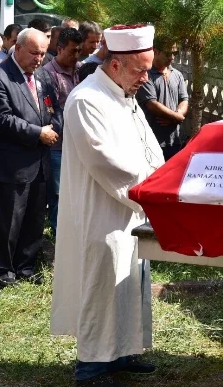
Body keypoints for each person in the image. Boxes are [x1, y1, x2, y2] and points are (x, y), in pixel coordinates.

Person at [51, 24, 163, 387]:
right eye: (140, 70)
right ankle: (93, 362)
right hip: (102, 210)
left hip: (131, 209)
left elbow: (149, 149)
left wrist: (163, 177)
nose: (145, 79)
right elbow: (105, 162)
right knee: (101, 283)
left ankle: (122, 351)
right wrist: (151, 190)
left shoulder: (124, 96)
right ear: (115, 65)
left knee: (128, 281)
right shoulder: (87, 99)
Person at [0, 28, 62, 287]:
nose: (39, 59)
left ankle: (25, 267)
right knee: (8, 220)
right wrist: (37, 133)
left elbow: (53, 107)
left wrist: (53, 128)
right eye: (34, 53)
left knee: (34, 218)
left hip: (40, 160)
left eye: (42, 53)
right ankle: (2, 272)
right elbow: (3, 118)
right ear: (17, 48)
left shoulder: (41, 76)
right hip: (12, 163)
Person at [41, 28, 83, 235]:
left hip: (78, 145)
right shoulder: (49, 74)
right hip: (57, 145)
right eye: (72, 51)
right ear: (59, 49)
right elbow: (52, 112)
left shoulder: (81, 70)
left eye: (79, 52)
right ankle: (59, 237)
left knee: (76, 193)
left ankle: (73, 235)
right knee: (58, 194)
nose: (76, 56)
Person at [136, 37, 188, 161]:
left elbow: (184, 99)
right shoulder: (146, 75)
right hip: (153, 141)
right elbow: (151, 104)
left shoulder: (177, 74)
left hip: (176, 139)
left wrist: (177, 116)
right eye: (168, 53)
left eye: (174, 53)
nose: (172, 57)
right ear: (155, 51)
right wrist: (177, 117)